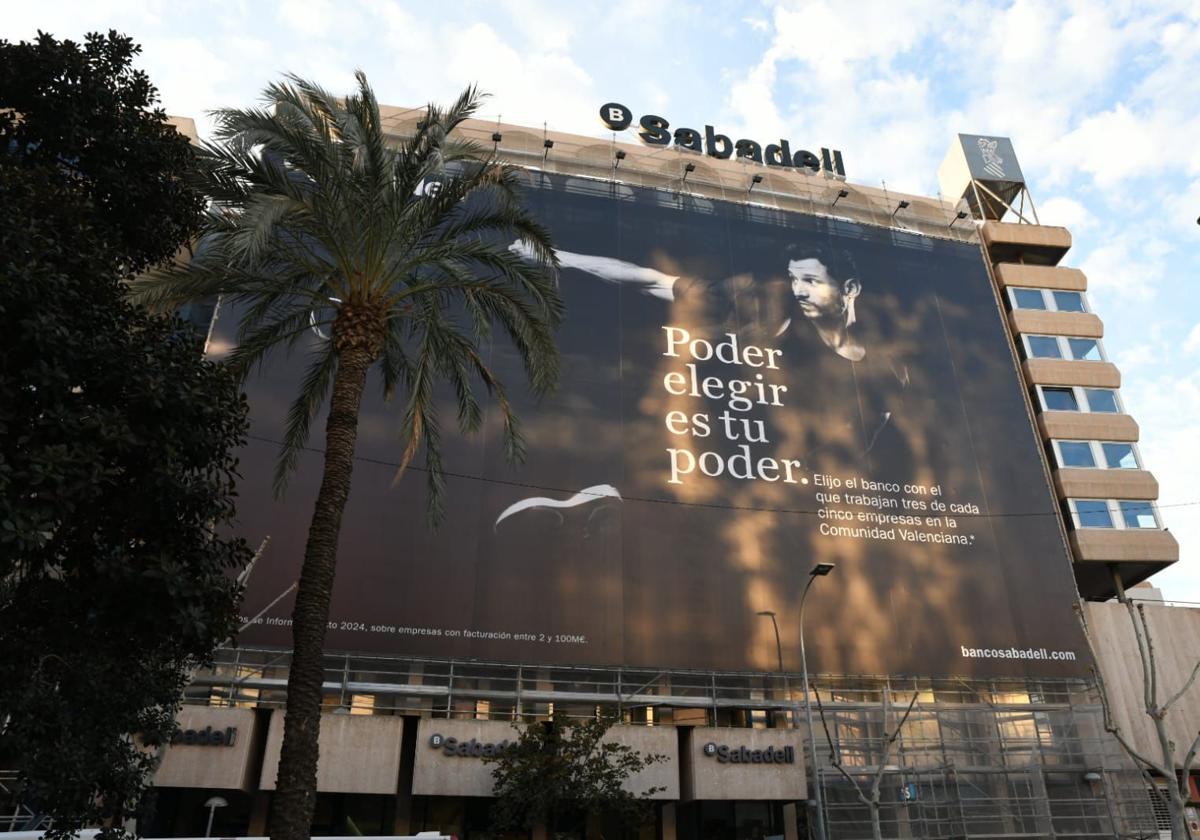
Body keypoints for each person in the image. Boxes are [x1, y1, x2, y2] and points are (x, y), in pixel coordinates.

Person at [509, 239, 865, 360]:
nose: (798, 290)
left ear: (850, 289)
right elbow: (647, 279)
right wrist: (557, 257)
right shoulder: (763, 306)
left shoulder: (883, 366)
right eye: (794, 279)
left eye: (812, 281)